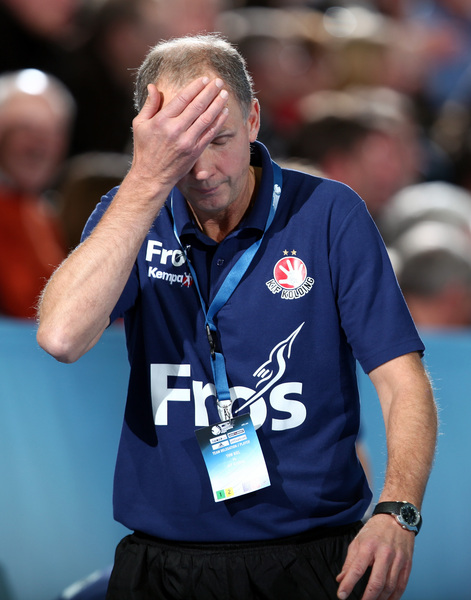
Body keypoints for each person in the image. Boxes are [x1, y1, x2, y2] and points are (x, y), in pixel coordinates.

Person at [36, 34, 437, 600]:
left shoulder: (329, 213)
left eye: (219, 139)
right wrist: (146, 180)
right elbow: (61, 337)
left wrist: (398, 511)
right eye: (181, 145)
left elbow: (403, 383)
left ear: (253, 121)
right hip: (161, 562)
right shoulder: (131, 216)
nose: (202, 169)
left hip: (309, 557)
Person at [0, 68, 73, 318]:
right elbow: (28, 308)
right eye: (24, 129)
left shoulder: (42, 213)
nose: (39, 145)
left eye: (52, 132)